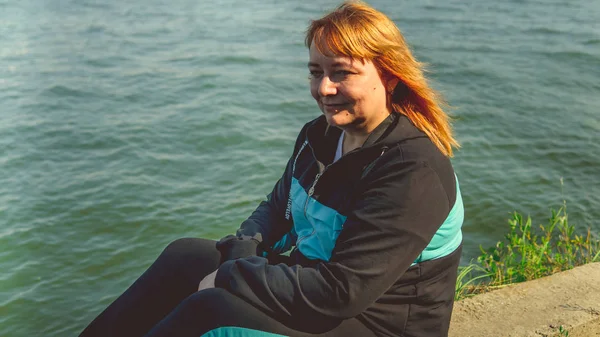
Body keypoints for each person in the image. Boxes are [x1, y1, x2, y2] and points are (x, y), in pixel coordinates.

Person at [79, 1, 463, 336]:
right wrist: (242, 249)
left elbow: (340, 292)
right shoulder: (322, 136)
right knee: (185, 256)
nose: (324, 89)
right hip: (314, 281)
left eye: (342, 73)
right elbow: (276, 207)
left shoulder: (413, 171)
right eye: (316, 72)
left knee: (210, 310)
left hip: (373, 324)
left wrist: (230, 276)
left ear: (390, 77)